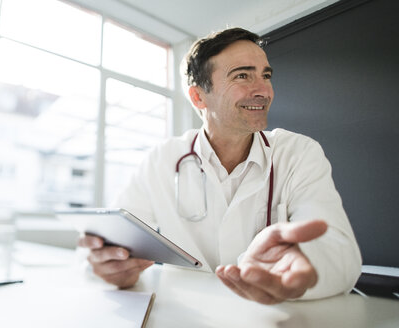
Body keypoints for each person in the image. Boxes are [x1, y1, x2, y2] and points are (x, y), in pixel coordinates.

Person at [79, 27, 362, 304]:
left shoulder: (299, 153)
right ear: (198, 97)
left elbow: (341, 256)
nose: (264, 90)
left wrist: (303, 268)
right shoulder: (162, 159)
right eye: (242, 76)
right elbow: (110, 243)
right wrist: (113, 268)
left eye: (266, 75)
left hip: (271, 317)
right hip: (186, 318)